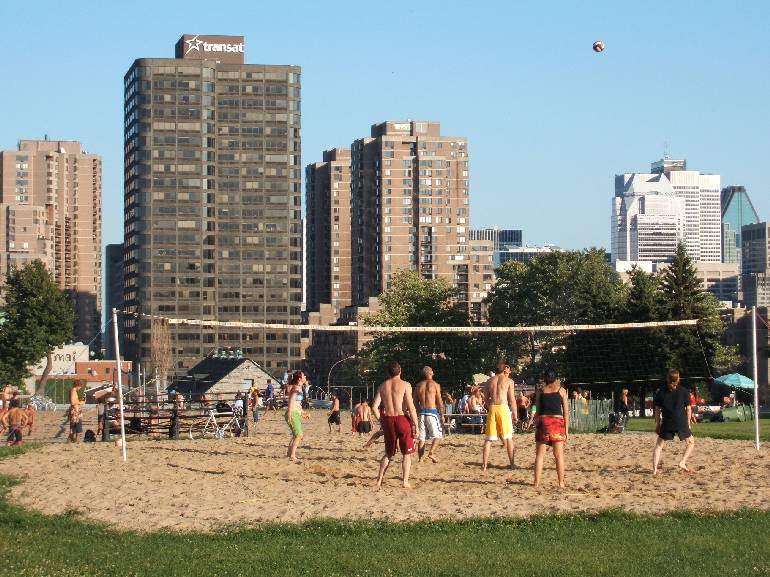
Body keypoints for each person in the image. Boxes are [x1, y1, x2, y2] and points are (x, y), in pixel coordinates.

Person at [372, 362, 418, 488]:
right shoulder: (405, 385)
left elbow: (374, 407)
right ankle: (405, 481)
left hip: (388, 419)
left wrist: (381, 421)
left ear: (389, 372)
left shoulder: (382, 386)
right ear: (400, 371)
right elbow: (411, 407)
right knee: (407, 454)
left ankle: (379, 480)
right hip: (402, 418)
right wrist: (416, 425)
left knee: (388, 453)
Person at [652, 369, 695, 475]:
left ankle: (654, 470)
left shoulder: (660, 392)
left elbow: (657, 410)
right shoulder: (684, 391)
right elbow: (689, 409)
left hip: (667, 421)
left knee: (659, 446)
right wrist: (688, 423)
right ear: (678, 379)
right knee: (691, 442)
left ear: (667, 379)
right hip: (681, 421)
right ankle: (682, 462)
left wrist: (658, 424)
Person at [532, 369, 569, 488]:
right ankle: (561, 483)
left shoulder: (540, 391)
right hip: (557, 423)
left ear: (544, 378)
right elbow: (566, 413)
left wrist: (536, 425)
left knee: (540, 455)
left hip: (543, 422)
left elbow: (537, 412)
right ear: (556, 378)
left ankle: (536, 483)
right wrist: (566, 430)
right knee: (558, 455)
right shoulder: (562, 391)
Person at [481, 363, 518, 472]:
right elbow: (512, 400)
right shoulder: (508, 381)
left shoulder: (489, 381)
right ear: (504, 370)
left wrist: (490, 406)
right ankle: (512, 464)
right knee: (508, 437)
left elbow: (486, 399)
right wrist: (515, 414)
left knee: (488, 439)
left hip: (493, 407)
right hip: (503, 407)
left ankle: (484, 465)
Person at [414, 366, 444, 463]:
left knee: (422, 438)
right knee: (438, 435)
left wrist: (419, 412)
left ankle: (420, 459)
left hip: (422, 412)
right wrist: (442, 415)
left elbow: (414, 402)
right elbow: (439, 401)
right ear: (430, 372)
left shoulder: (418, 385)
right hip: (432, 412)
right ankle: (431, 452)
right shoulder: (435, 385)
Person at [285, 371, 306, 461]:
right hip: (292, 413)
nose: (305, 376)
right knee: (298, 435)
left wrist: (303, 412)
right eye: (303, 375)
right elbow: (291, 401)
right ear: (299, 379)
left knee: (296, 435)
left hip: (295, 412)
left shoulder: (299, 388)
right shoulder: (297, 388)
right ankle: (292, 455)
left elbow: (297, 403)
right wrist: (290, 413)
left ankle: (289, 454)